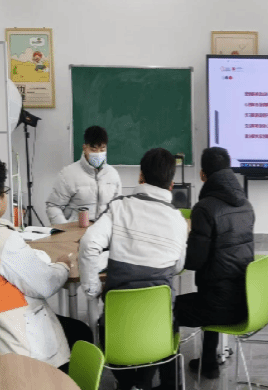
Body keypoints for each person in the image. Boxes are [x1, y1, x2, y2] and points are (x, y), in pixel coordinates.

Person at [79, 148, 188, 390]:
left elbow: (88, 244)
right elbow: (178, 266)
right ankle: (144, 382)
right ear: (171, 185)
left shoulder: (118, 208)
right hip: (158, 333)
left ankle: (129, 384)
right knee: (167, 319)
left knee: (111, 327)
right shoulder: (178, 221)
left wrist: (92, 289)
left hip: (116, 333)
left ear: (140, 176)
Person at [159, 147, 255, 388]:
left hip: (220, 306)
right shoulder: (246, 205)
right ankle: (209, 361)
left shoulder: (205, 208)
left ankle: (170, 382)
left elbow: (194, 262)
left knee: (164, 310)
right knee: (215, 286)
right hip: (247, 300)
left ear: (203, 175)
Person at [0, 160, 92, 373]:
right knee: (80, 334)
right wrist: (63, 266)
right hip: (15, 343)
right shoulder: (4, 240)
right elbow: (44, 284)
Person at [46, 126, 122, 225]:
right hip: (77, 230)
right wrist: (65, 230)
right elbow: (53, 207)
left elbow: (118, 207)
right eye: (94, 149)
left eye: (102, 149)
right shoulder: (68, 174)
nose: (98, 153)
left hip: (104, 230)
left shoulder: (113, 174)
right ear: (85, 148)